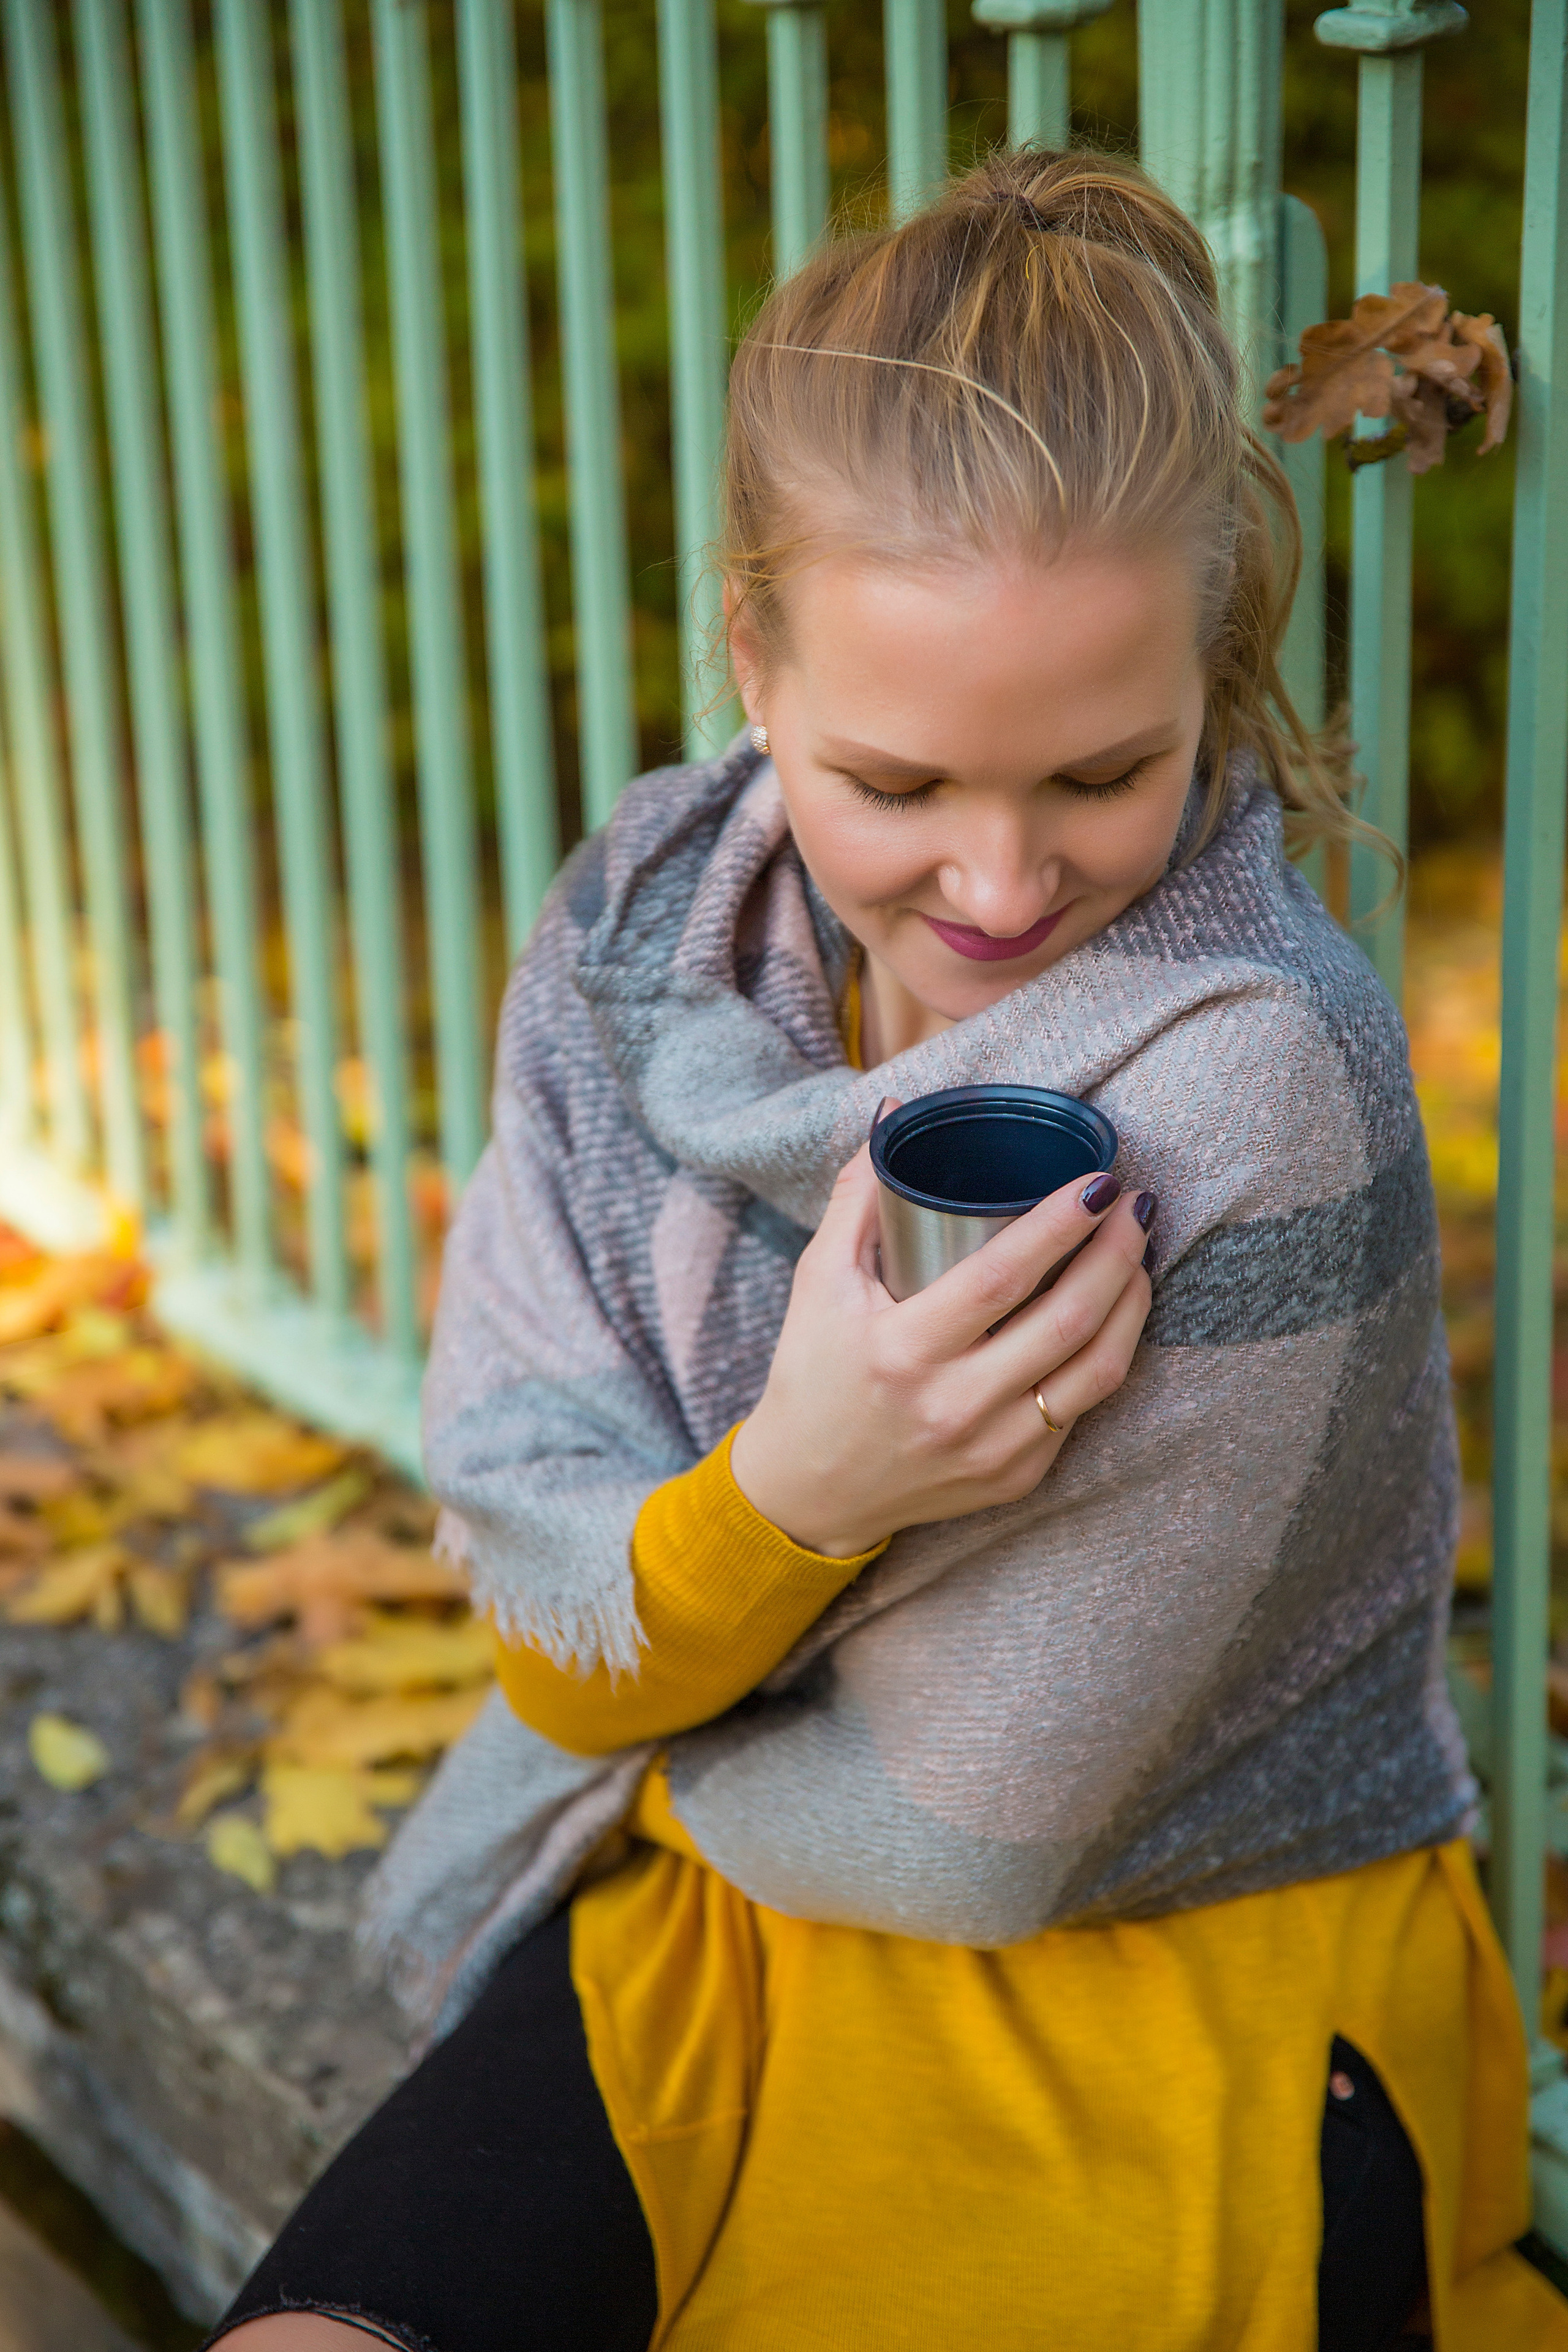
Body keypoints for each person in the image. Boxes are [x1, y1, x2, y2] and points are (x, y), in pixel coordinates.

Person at [206, 148, 1567, 2352]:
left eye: (1102, 774)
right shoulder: (644, 931)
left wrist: (695, 1608)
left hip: (1178, 1962)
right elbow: (549, 1617)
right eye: (900, 785)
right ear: (755, 658)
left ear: (1213, 664)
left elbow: (964, 1834)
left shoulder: (1261, 1082)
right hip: (718, 1932)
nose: (1001, 887)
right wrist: (806, 1491)